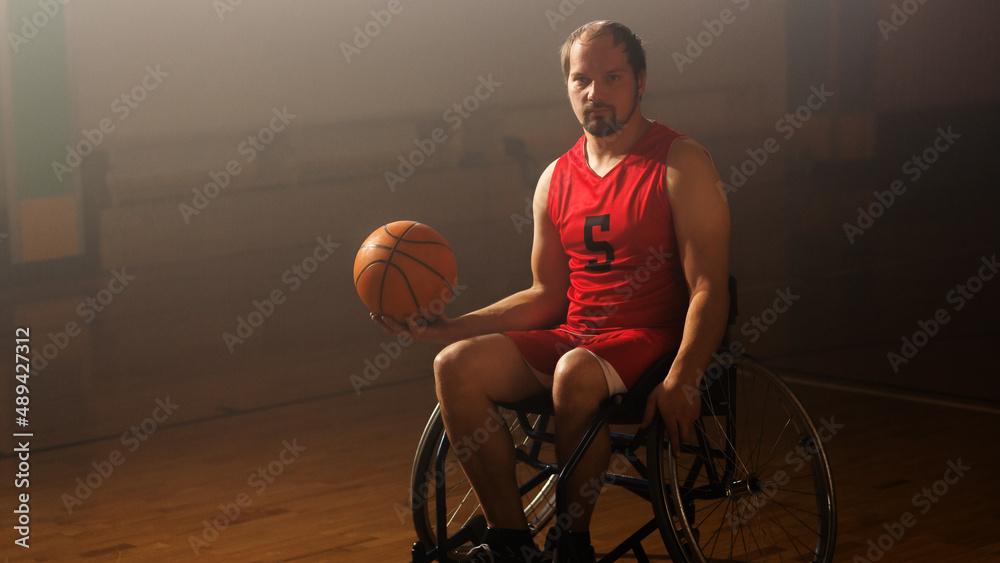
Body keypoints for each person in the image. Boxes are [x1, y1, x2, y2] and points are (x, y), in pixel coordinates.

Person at [375, 20, 730, 563]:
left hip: (650, 337)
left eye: (612, 77)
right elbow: (545, 295)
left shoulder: (681, 161)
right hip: (576, 338)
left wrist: (685, 374)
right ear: (568, 87)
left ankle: (573, 543)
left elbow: (708, 283)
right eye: (582, 80)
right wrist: (447, 327)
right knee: (454, 365)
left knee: (575, 371)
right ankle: (512, 542)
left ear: (640, 81)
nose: (595, 92)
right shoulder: (555, 179)